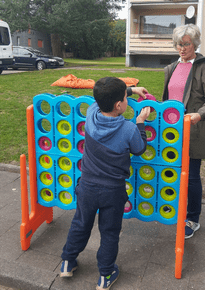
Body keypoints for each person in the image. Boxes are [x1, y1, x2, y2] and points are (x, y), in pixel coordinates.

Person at [60, 77, 150, 290]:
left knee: (80, 224)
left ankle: (67, 262)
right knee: (109, 232)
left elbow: (102, 98)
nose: (127, 99)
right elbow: (139, 149)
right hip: (112, 191)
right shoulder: (128, 129)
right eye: (125, 98)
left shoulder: (91, 113)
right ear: (119, 105)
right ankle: (105, 274)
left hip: (87, 187)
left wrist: (129, 89)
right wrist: (140, 123)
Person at [162, 24, 205, 239]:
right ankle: (172, 207)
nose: (182, 48)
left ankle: (192, 219)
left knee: (192, 176)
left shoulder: (204, 66)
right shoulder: (171, 67)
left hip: (193, 129)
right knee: (172, 172)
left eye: (186, 44)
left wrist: (199, 114)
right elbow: (168, 100)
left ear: (194, 44)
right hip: (171, 131)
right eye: (179, 44)